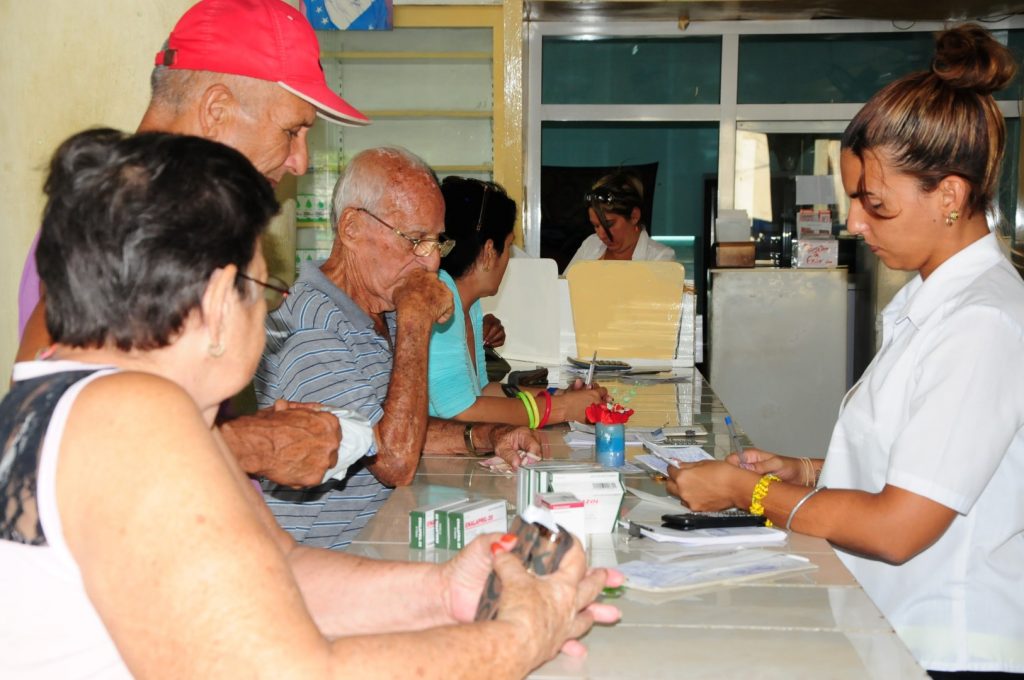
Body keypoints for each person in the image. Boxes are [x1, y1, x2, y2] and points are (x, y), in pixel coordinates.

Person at [0, 129, 621, 678]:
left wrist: (443, 590)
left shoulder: (78, 400)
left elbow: (284, 567)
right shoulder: (133, 415)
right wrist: (519, 637)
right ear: (221, 300)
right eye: (260, 284)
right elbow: (295, 668)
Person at [666, 25, 1023, 677]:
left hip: (953, 645)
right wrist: (805, 470)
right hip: (899, 628)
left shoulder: (984, 322)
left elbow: (897, 526)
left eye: (874, 204)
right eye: (852, 200)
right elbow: (926, 459)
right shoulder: (936, 304)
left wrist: (748, 490)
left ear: (949, 195)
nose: (855, 224)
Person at [14, 0, 370, 489]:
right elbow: (42, 424)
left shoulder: (184, 218)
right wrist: (254, 445)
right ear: (217, 109)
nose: (300, 162)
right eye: (292, 131)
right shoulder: (117, 219)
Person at [255, 148, 541, 549]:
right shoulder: (311, 328)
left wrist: (490, 436)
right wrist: (415, 320)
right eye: (415, 240)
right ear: (352, 227)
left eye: (438, 241)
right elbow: (394, 460)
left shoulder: (379, 300)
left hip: (384, 534)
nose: (430, 263)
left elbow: (382, 430)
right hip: (323, 558)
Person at [428, 176, 607, 425]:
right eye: (509, 246)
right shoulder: (439, 299)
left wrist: (559, 395)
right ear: (490, 252)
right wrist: (561, 409)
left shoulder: (469, 304)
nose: (509, 259)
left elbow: (480, 391)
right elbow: (462, 410)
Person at [566, 171, 675, 268]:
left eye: (608, 224)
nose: (601, 234)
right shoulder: (590, 244)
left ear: (634, 216)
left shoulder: (661, 258)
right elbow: (563, 286)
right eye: (596, 226)